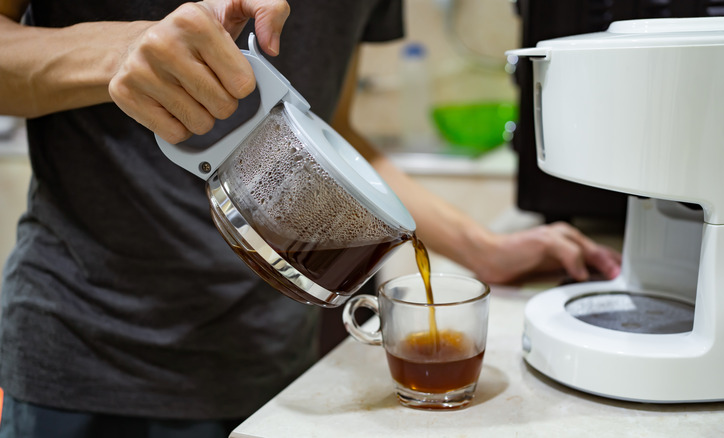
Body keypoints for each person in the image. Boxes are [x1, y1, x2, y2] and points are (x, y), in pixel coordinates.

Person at [0, 0, 621, 436]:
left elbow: (332, 136)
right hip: (91, 354)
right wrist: (120, 49)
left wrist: (483, 249)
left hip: (279, 367)